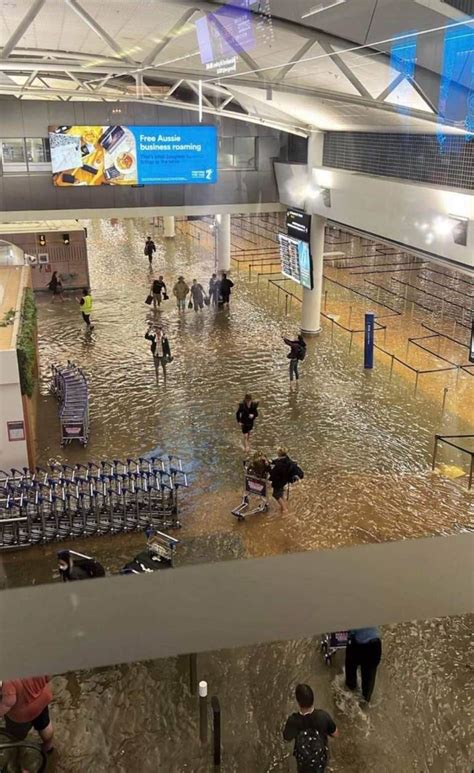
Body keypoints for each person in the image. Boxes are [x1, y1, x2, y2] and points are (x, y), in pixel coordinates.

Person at [283, 683, 337, 773]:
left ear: (298, 702)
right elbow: (335, 734)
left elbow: (286, 738)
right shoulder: (323, 716)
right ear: (313, 699)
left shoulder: (293, 720)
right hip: (320, 761)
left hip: (303, 764)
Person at [0, 676, 54, 753]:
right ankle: (48, 746)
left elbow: (8, 703)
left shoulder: (8, 680)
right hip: (42, 701)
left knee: (16, 735)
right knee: (45, 726)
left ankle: (18, 750)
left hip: (22, 714)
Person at [345, 627, 382, 703]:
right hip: (375, 645)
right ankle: (365, 701)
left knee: (350, 672)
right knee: (369, 680)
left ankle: (349, 695)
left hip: (357, 644)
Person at [269, 447, 304, 513]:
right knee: (281, 494)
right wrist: (272, 462)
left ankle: (285, 509)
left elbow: (273, 473)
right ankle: (284, 506)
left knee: (275, 494)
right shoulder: (287, 460)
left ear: (279, 454)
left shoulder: (279, 465)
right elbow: (277, 461)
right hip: (284, 480)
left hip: (279, 482)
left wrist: (269, 469)